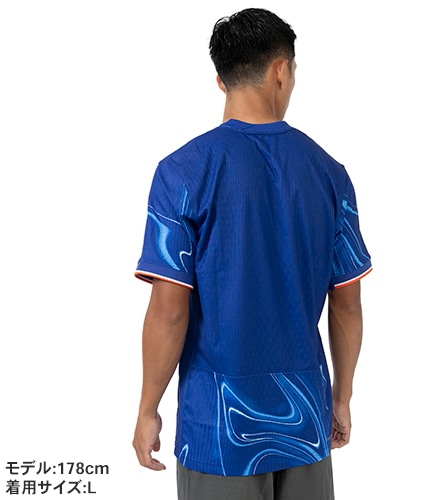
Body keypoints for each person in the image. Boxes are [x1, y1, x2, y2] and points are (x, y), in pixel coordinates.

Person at [132, 7, 371, 500]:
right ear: (282, 70)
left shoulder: (181, 172)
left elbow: (170, 310)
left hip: (218, 428)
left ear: (221, 80)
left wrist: (148, 407)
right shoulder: (330, 173)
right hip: (305, 419)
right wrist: (341, 398)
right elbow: (347, 303)